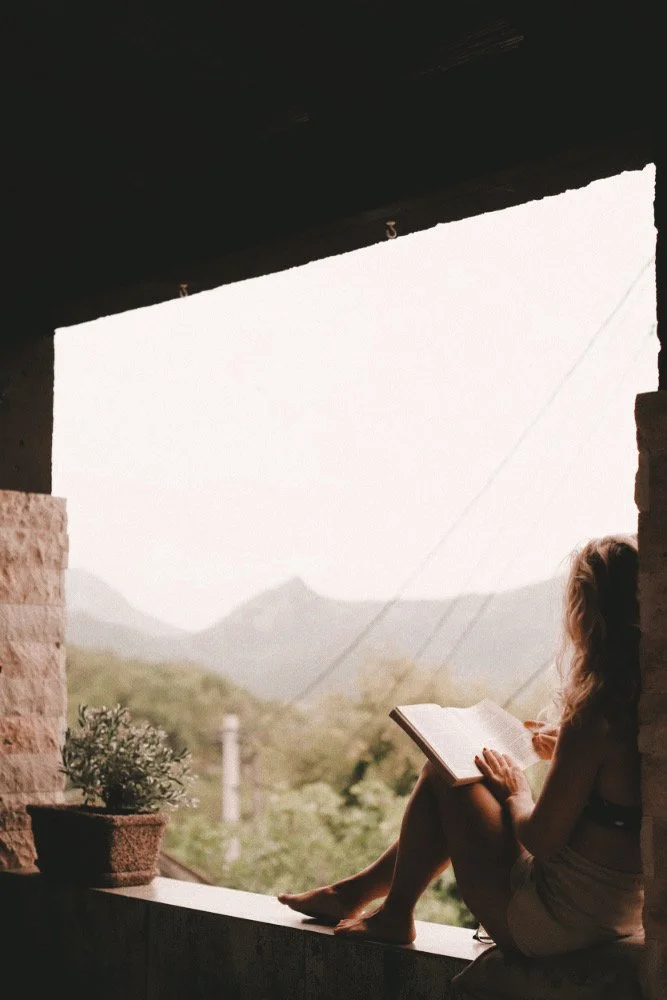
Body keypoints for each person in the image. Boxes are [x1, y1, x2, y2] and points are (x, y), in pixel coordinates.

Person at [278, 534, 644, 956]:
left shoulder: (594, 713)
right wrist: (563, 749)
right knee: (463, 775)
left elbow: (541, 839)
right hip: (614, 915)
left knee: (444, 770)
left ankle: (386, 910)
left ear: (586, 613)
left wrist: (518, 793)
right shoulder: (641, 704)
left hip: (553, 925)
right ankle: (359, 896)